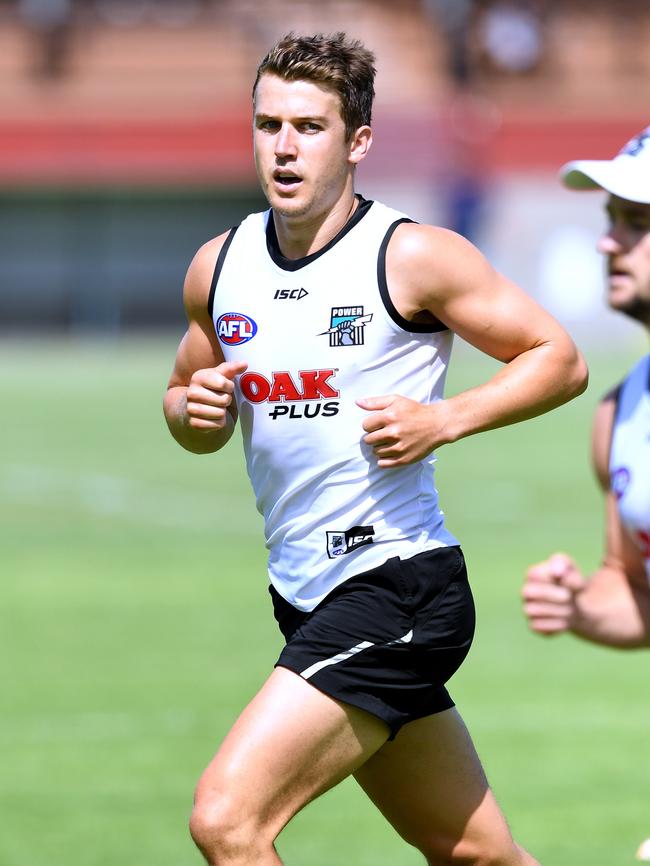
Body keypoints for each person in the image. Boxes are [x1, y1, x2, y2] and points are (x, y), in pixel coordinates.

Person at [163, 32, 587, 866]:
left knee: (227, 820)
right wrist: (195, 411)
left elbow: (558, 359)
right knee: (476, 855)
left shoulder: (412, 255)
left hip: (396, 587)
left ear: (357, 141)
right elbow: (185, 403)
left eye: (309, 127)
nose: (284, 147)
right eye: (269, 124)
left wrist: (446, 419)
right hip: (304, 595)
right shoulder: (221, 266)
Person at [522, 128, 650, 647]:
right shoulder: (618, 412)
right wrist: (580, 609)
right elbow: (633, 585)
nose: (606, 241)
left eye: (637, 222)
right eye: (611, 218)